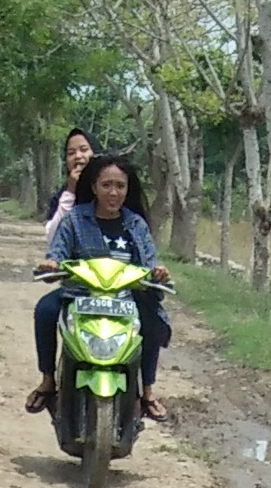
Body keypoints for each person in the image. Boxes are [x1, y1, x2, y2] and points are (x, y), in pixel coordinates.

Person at [28, 154, 173, 421]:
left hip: (127, 296)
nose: (114, 192)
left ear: (128, 189)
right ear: (94, 187)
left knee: (152, 320)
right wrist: (51, 264)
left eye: (120, 185)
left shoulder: (136, 224)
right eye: (106, 185)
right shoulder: (74, 220)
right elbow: (57, 253)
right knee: (45, 310)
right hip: (79, 294)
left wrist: (158, 273)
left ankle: (148, 392)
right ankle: (48, 381)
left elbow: (151, 264)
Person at [43, 129, 94, 240]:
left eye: (84, 150)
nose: (78, 156)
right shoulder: (62, 195)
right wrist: (71, 191)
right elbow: (53, 236)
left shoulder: (111, 189)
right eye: (71, 153)